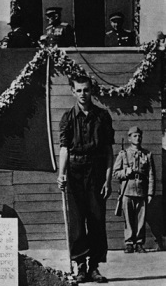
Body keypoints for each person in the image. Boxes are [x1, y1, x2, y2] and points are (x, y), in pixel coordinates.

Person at [57, 75, 114, 283]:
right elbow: (64, 149)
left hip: (97, 173)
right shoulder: (68, 118)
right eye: (79, 90)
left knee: (97, 220)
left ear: (92, 91)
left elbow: (108, 151)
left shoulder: (102, 117)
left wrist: (108, 180)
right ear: (73, 91)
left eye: (86, 90)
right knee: (78, 221)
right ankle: (80, 266)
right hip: (74, 172)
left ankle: (94, 267)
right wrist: (61, 174)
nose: (83, 94)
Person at [113, 126, 155, 254]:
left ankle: (139, 243)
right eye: (135, 136)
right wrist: (126, 172)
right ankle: (129, 243)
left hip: (142, 190)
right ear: (129, 138)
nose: (138, 138)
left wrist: (150, 193)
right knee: (129, 218)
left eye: (139, 136)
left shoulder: (147, 154)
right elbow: (116, 173)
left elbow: (151, 175)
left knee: (141, 218)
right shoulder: (123, 154)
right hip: (127, 190)